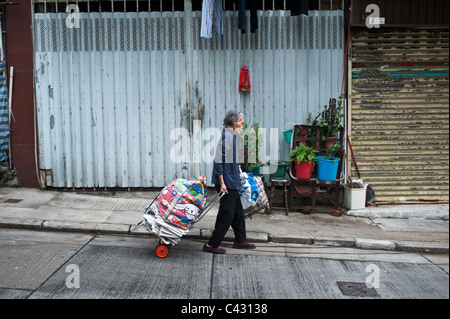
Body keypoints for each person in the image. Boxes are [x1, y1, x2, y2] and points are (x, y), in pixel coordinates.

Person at [203, 110, 256, 254]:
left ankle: (240, 240)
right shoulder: (227, 136)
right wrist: (222, 183)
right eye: (241, 122)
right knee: (227, 214)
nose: (242, 125)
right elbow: (218, 162)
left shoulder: (232, 136)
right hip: (227, 183)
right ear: (233, 122)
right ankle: (211, 244)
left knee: (238, 211)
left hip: (233, 180)